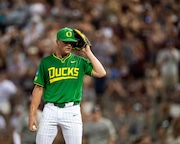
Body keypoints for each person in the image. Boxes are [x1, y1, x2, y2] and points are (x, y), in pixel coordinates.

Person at [28, 27, 106, 144]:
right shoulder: (46, 62)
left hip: (71, 109)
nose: (69, 45)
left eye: (71, 42)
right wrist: (32, 115)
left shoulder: (79, 61)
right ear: (57, 42)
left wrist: (88, 52)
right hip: (50, 109)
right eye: (65, 42)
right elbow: (38, 89)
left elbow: (101, 73)